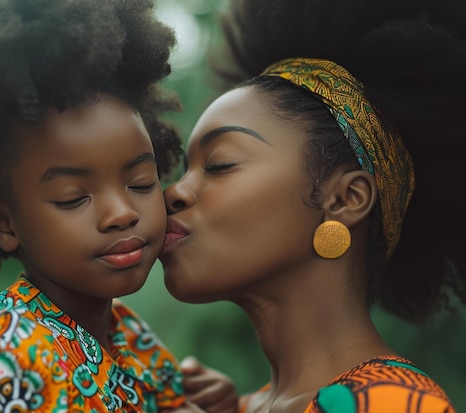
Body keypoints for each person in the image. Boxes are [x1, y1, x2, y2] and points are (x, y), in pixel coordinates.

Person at [0, 0, 238, 411]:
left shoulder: (133, 340)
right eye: (73, 198)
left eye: (141, 183)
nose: (121, 213)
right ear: (3, 223)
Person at [161, 0, 466, 412]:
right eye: (184, 169)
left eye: (219, 165)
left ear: (344, 199)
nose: (172, 192)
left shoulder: (392, 404)